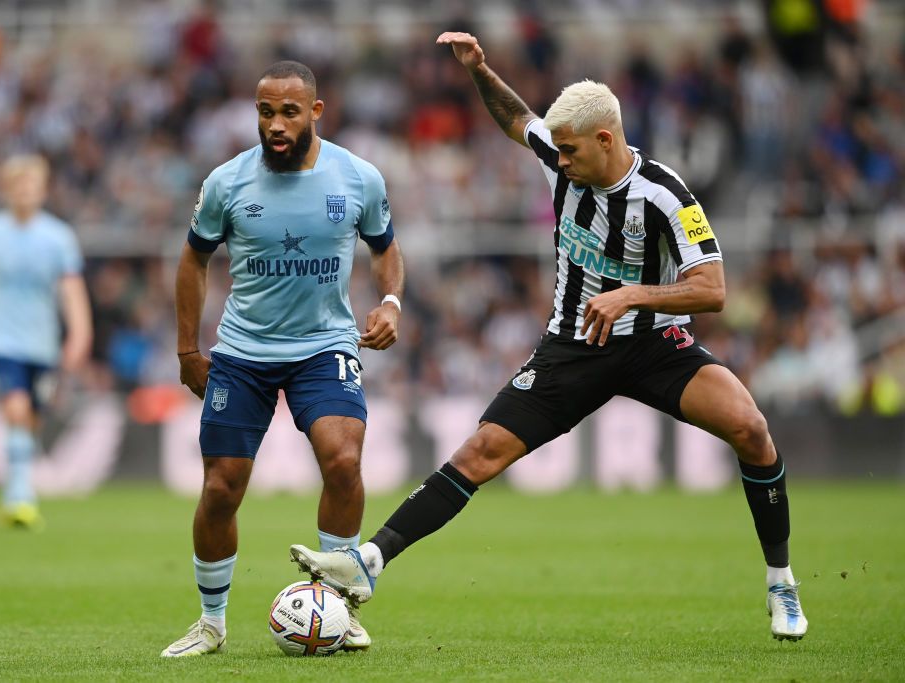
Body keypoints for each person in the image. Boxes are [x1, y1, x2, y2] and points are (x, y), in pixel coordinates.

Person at [290, 33, 807, 643]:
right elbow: (518, 118)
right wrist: (480, 69)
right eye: (555, 151)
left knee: (750, 428)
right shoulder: (561, 153)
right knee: (479, 452)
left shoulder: (666, 195)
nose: (558, 162)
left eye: (568, 152)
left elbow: (712, 288)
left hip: (654, 346)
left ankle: (781, 583)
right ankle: (368, 563)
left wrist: (632, 294)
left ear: (605, 140)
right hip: (572, 346)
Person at [162, 60, 404, 657]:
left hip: (325, 345)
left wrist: (392, 302)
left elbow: (386, 249)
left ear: (315, 112)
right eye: (265, 111)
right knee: (221, 488)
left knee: (344, 460)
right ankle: (212, 623)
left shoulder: (358, 177)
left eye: (288, 112)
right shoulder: (226, 182)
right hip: (242, 352)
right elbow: (192, 260)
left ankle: (338, 609)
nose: (275, 123)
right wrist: (188, 348)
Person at [0, 154, 92, 530]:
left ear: (43, 190)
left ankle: (18, 485)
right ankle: (19, 495)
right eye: (18, 184)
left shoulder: (58, 237)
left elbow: (72, 290)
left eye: (32, 184)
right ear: (6, 190)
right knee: (16, 408)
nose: (25, 191)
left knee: (30, 420)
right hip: (1, 340)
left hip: (42, 343)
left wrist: (79, 333)